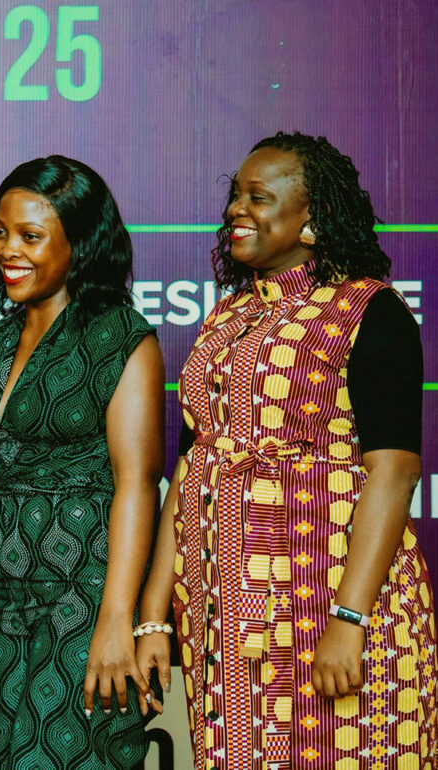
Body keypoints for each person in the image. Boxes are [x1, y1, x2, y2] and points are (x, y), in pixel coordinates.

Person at [135, 132, 436, 768]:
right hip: (224, 618)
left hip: (330, 607)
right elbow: (190, 471)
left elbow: (395, 471)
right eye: (234, 196)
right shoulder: (223, 321)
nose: (236, 210)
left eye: (258, 197)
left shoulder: (370, 311)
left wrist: (349, 619)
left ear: (312, 220)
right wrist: (155, 617)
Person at [0, 156, 165, 769]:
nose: (8, 250)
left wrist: (117, 621)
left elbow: (137, 486)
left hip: (85, 596)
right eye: (0, 232)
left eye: (30, 236)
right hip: (6, 608)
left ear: (79, 245)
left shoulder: (121, 337)